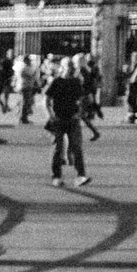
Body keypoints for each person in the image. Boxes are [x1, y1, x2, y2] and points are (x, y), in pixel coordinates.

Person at [45, 55, 90, 186]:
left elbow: (82, 99)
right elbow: (47, 100)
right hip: (58, 119)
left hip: (72, 118)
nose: (71, 69)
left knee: (76, 147)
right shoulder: (56, 81)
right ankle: (56, 176)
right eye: (68, 66)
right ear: (62, 67)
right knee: (58, 148)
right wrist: (50, 115)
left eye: (72, 66)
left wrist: (79, 113)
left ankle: (80, 175)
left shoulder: (76, 82)